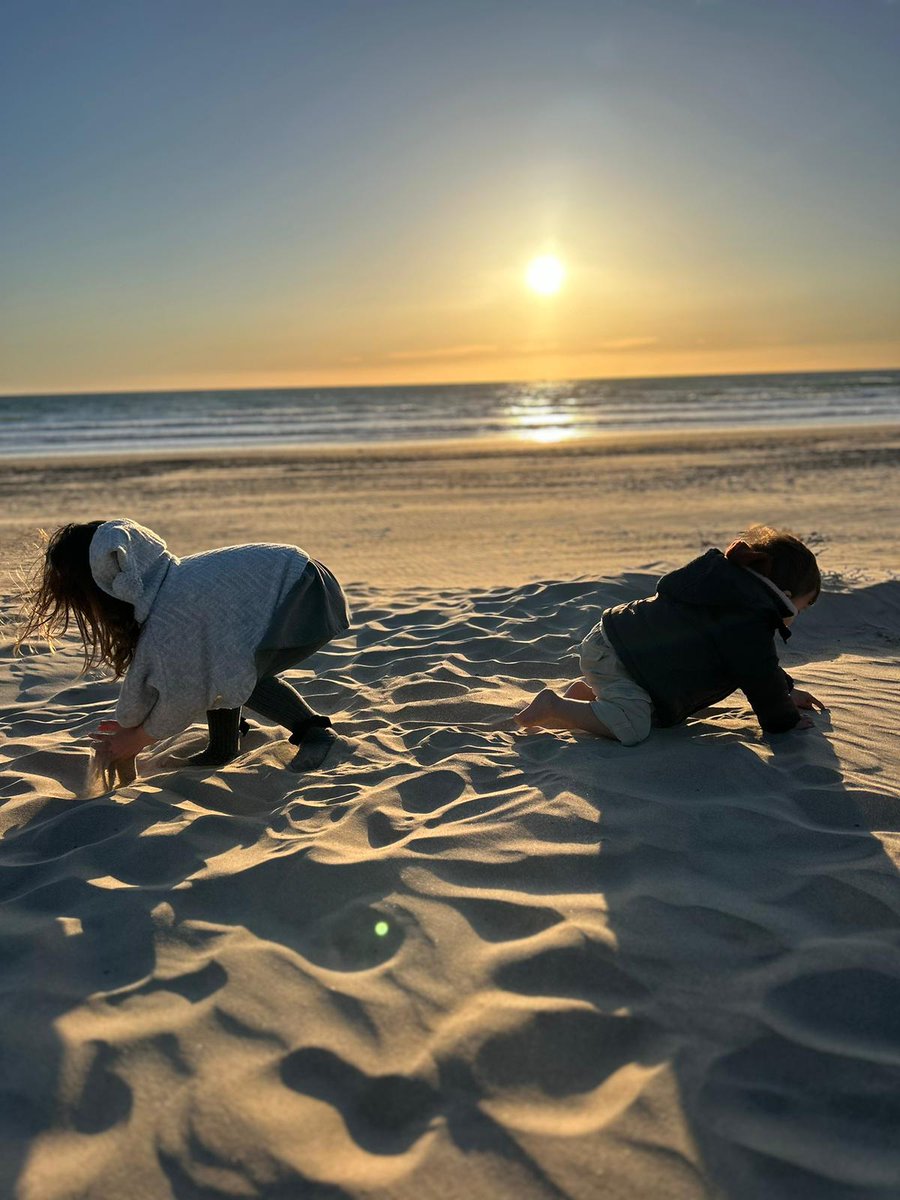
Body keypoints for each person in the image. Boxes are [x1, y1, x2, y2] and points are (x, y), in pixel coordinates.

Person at [16, 518, 350, 778]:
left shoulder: (171, 610)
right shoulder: (163, 586)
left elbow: (185, 693)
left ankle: (314, 732)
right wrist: (130, 724)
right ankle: (222, 748)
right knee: (218, 661)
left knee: (226, 672)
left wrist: (136, 739)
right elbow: (189, 668)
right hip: (296, 581)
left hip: (306, 595)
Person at [515, 525, 825, 745]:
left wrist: (786, 692)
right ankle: (554, 706)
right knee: (633, 728)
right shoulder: (748, 617)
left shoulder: (723, 591)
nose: (796, 617)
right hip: (622, 658)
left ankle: (585, 698)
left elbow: (755, 665)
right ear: (785, 596)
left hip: (617, 646)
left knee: (640, 711)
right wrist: (784, 721)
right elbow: (758, 673)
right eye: (801, 608)